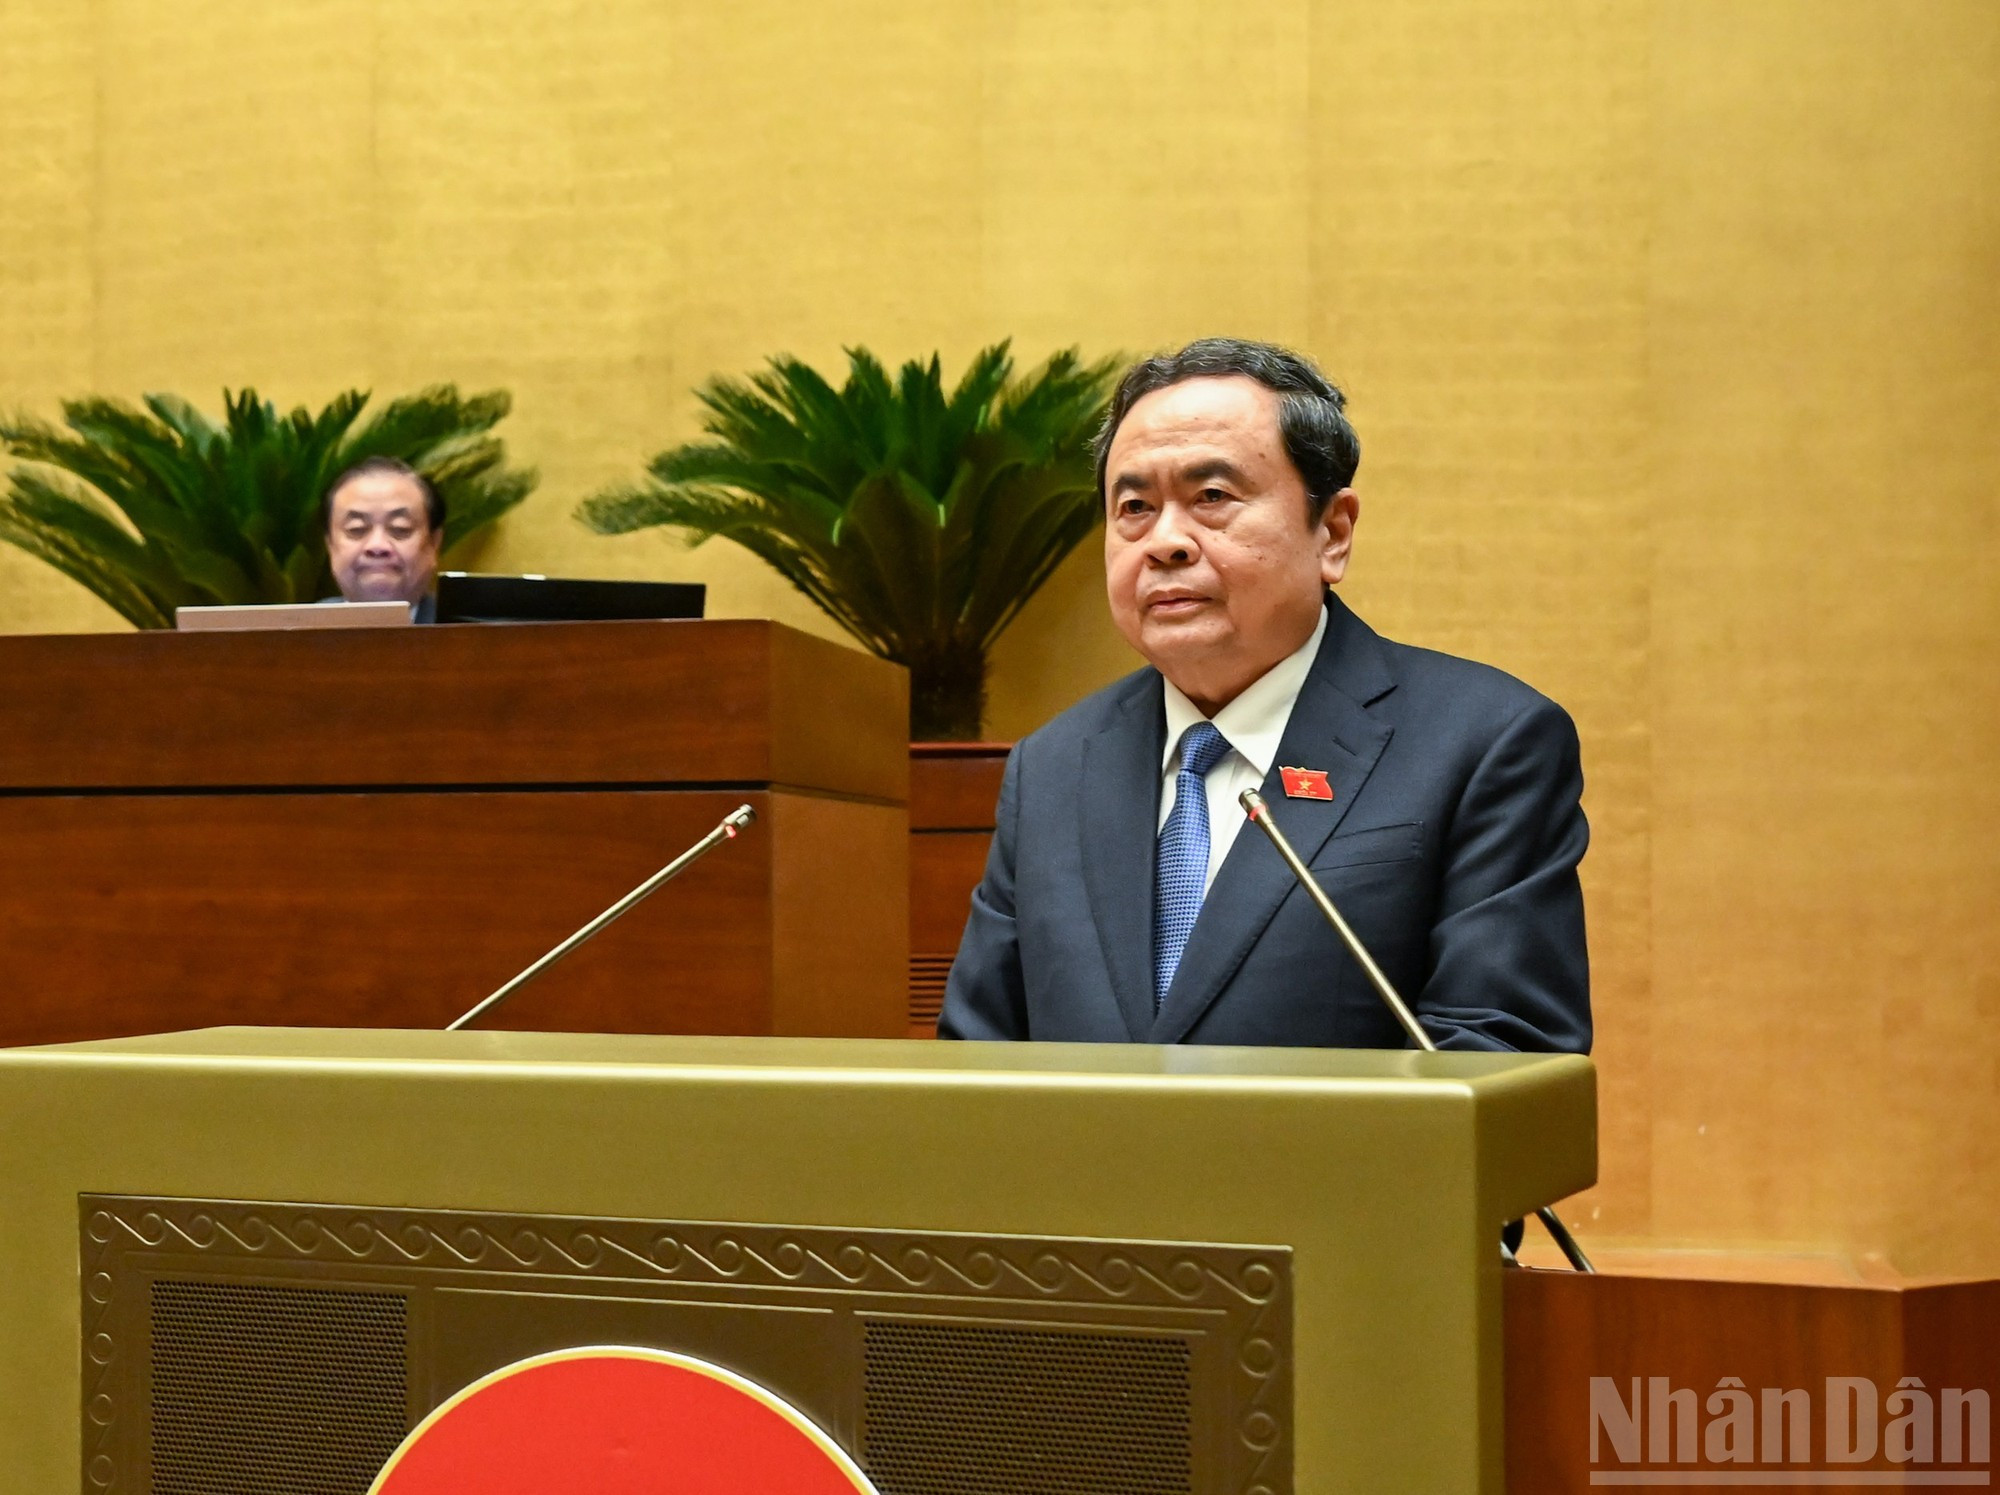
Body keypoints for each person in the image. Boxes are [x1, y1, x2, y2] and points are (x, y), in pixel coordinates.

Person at [938, 338, 1590, 1052]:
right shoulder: (1053, 768)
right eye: (1134, 506)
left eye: (1211, 497)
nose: (1165, 541)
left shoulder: (1481, 742)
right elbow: (978, 1059)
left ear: (1333, 533)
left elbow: (1500, 1057)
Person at [322, 456, 444, 622]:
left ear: (434, 543)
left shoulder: (478, 638)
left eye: (400, 529)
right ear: (330, 545)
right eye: (356, 529)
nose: (377, 546)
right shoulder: (293, 638)